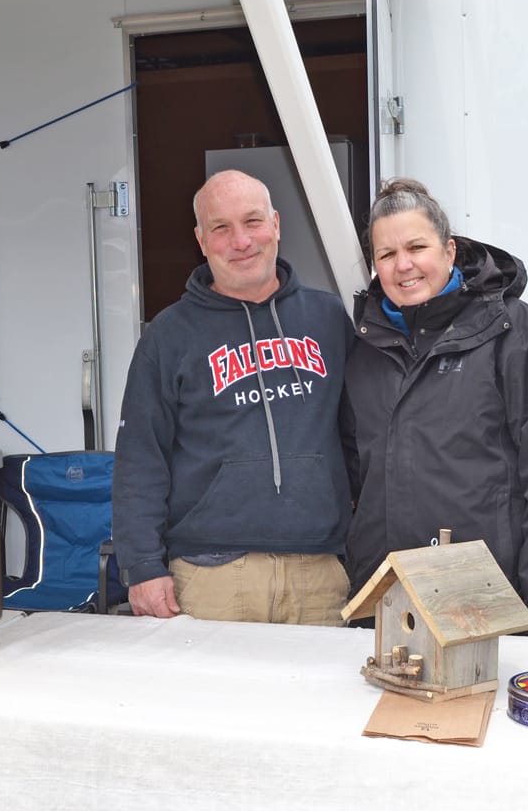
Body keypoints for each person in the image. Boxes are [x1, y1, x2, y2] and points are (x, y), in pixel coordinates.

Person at [343, 178, 528, 637]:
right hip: (391, 600)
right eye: (387, 254)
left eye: (417, 246)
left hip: (489, 598)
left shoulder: (516, 333)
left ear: (450, 251)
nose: (404, 265)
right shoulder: (364, 347)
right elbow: (357, 474)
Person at [112, 169, 353, 626]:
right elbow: (141, 456)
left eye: (253, 221)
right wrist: (142, 566)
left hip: (318, 573)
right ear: (201, 240)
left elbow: (362, 437)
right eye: (221, 228)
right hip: (212, 578)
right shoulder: (169, 335)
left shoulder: (328, 318)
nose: (241, 241)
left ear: (277, 225)